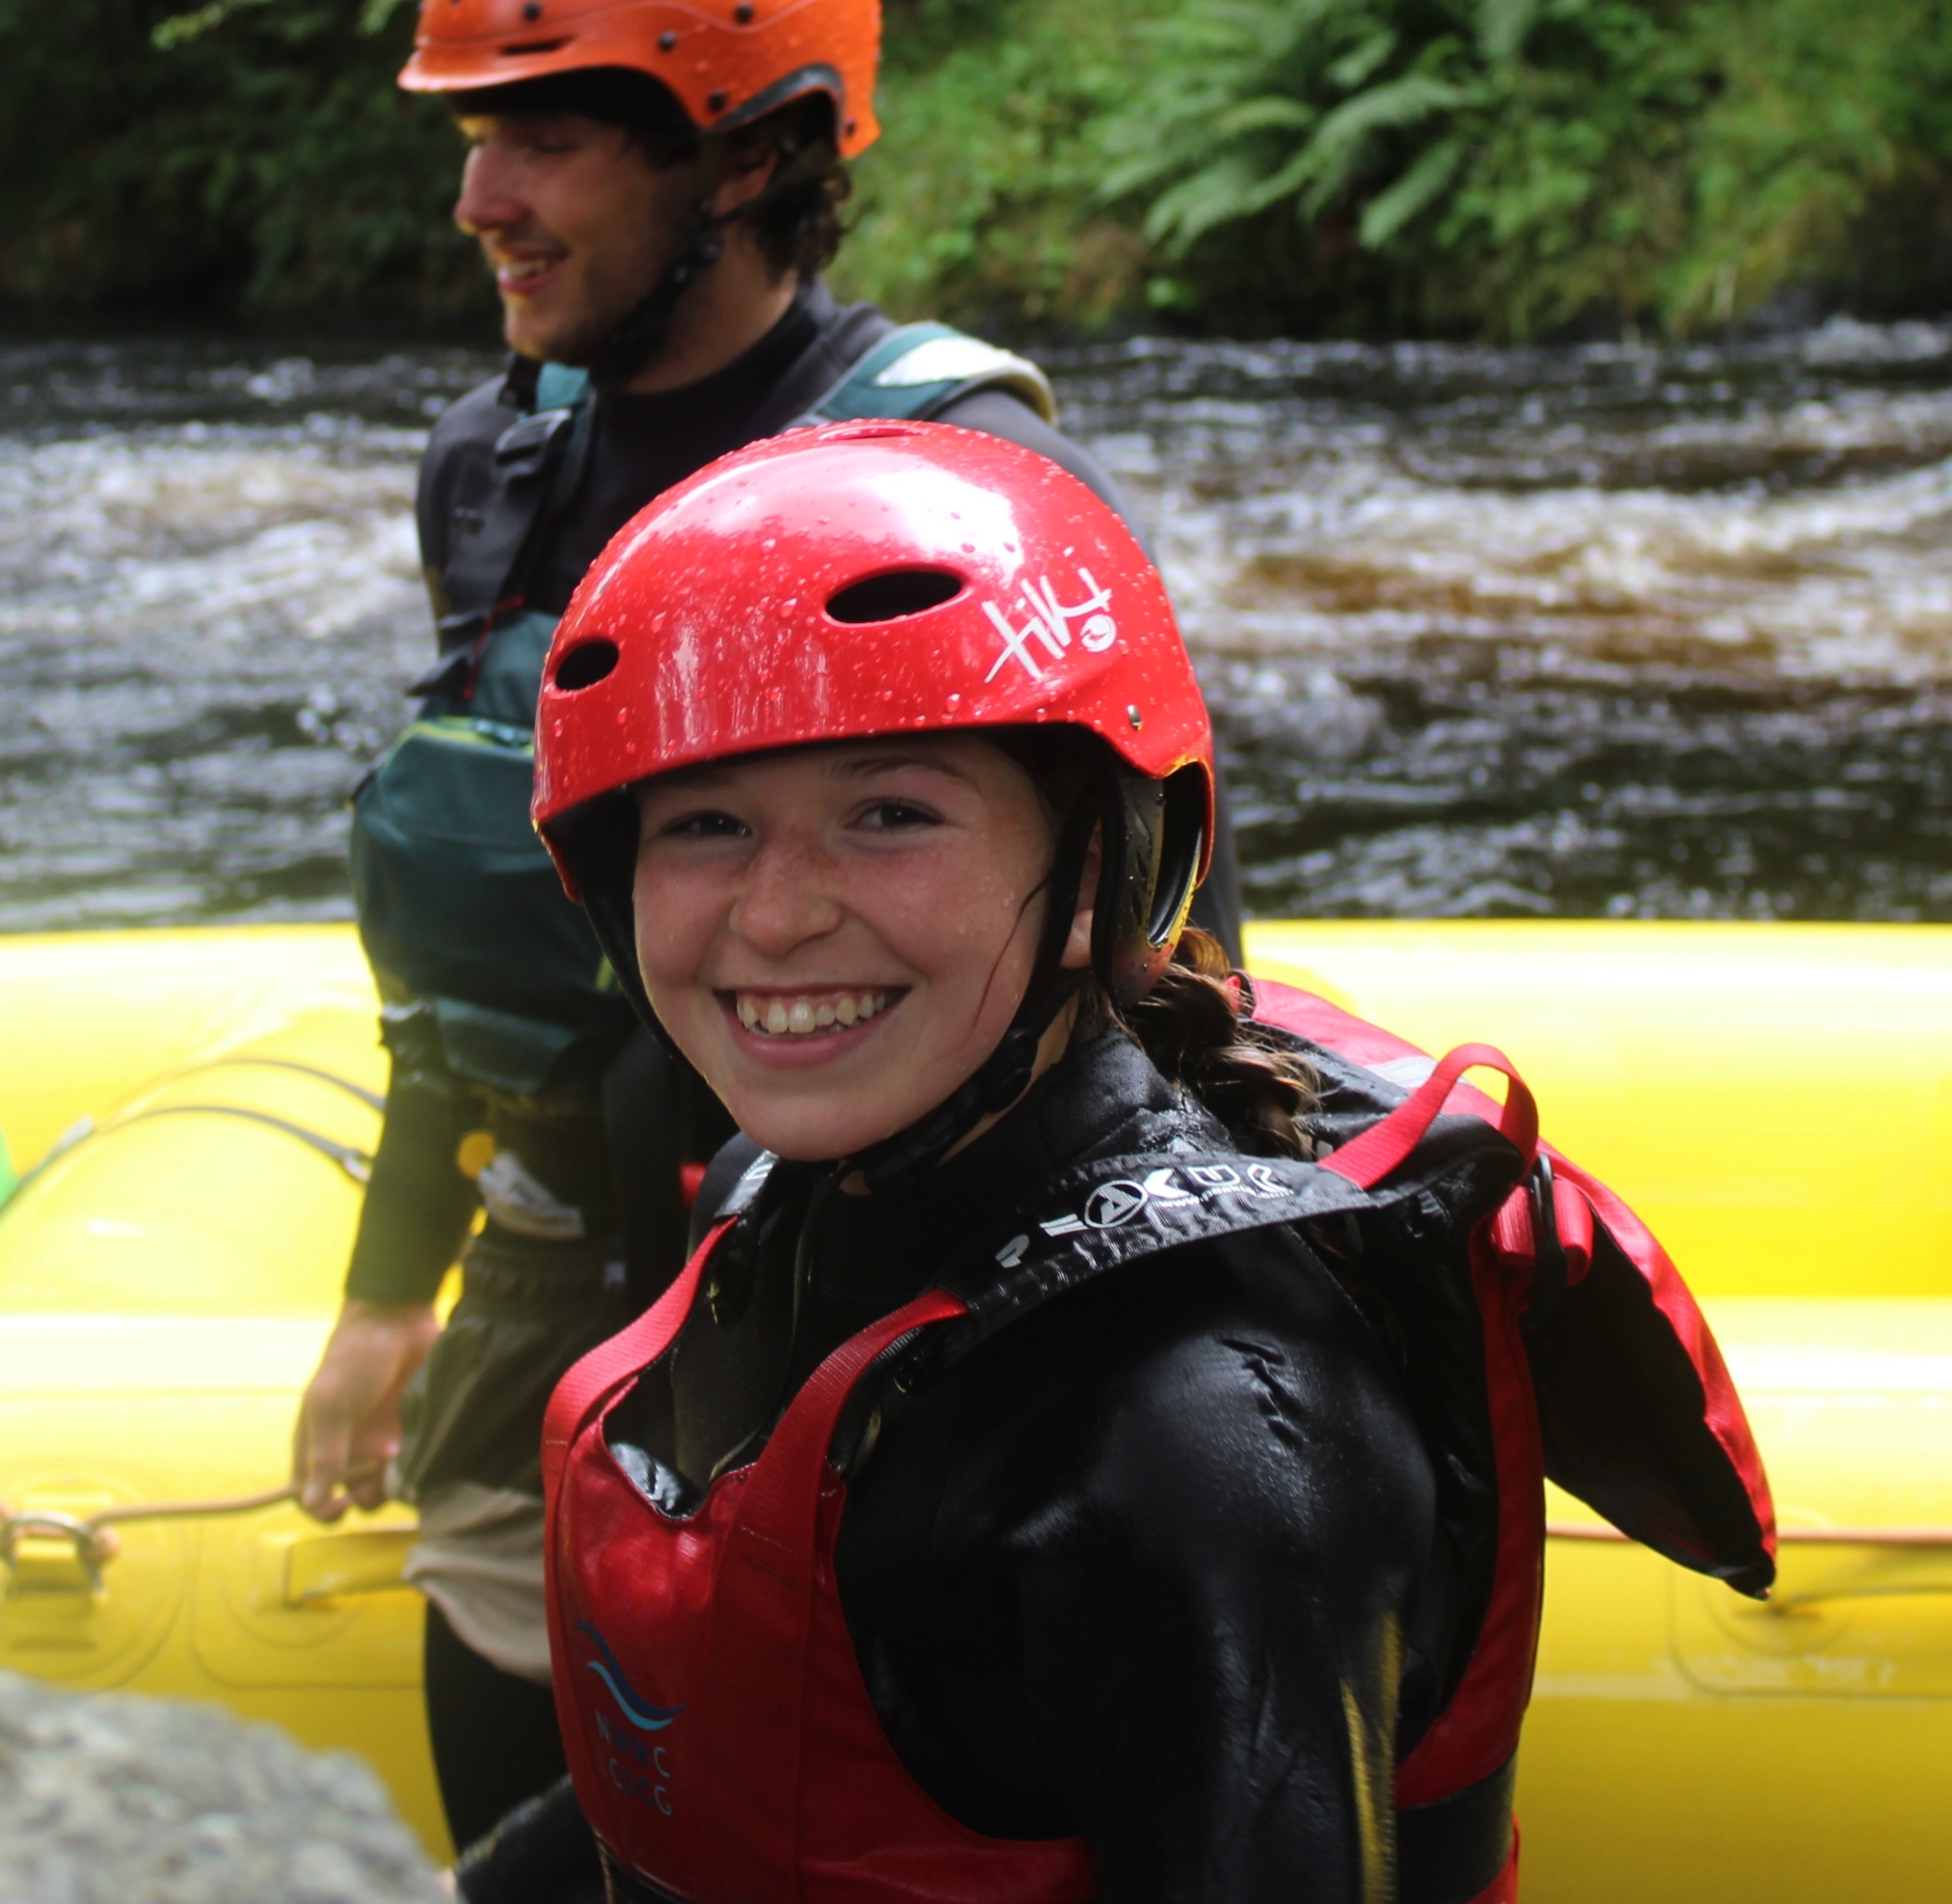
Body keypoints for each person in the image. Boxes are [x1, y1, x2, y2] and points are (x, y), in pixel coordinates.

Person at [290, 0, 1237, 1854]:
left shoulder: (966, 479)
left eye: (546, 133)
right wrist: (389, 1292)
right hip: (569, 1303)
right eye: (470, 136)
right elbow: (483, 937)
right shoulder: (492, 467)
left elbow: (1164, 961)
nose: (481, 199)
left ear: (750, 153)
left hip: (898, 1320)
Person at [518, 421, 1777, 1904]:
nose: (778, 914)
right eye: (708, 825)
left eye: (890, 813)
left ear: (1102, 867)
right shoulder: (776, 1198)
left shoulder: (1203, 1438)